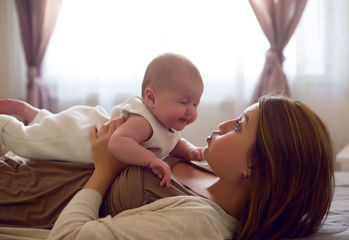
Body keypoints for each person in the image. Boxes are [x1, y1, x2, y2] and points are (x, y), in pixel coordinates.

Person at [0, 95, 335, 240]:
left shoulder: (200, 225)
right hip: (23, 159)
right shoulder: (209, 169)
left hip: (19, 195)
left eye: (238, 126)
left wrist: (105, 168)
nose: (222, 124)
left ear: (256, 165)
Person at [0, 53, 205, 186]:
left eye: (195, 104)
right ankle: (5, 124)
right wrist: (150, 160)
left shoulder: (167, 124)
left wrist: (189, 150)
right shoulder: (144, 122)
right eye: (184, 102)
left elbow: (173, 142)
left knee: (51, 127)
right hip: (80, 138)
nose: (191, 111)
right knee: (29, 143)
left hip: (83, 123)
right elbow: (118, 143)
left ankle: (30, 113)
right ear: (151, 98)